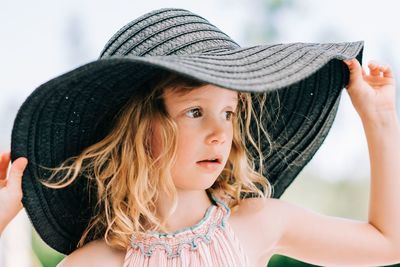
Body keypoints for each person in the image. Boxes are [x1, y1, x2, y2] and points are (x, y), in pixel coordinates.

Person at [1, 7, 400, 267]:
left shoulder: (258, 222)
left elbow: (387, 243)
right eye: (194, 112)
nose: (219, 132)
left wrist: (379, 118)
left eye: (228, 112)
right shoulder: (98, 261)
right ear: (140, 131)